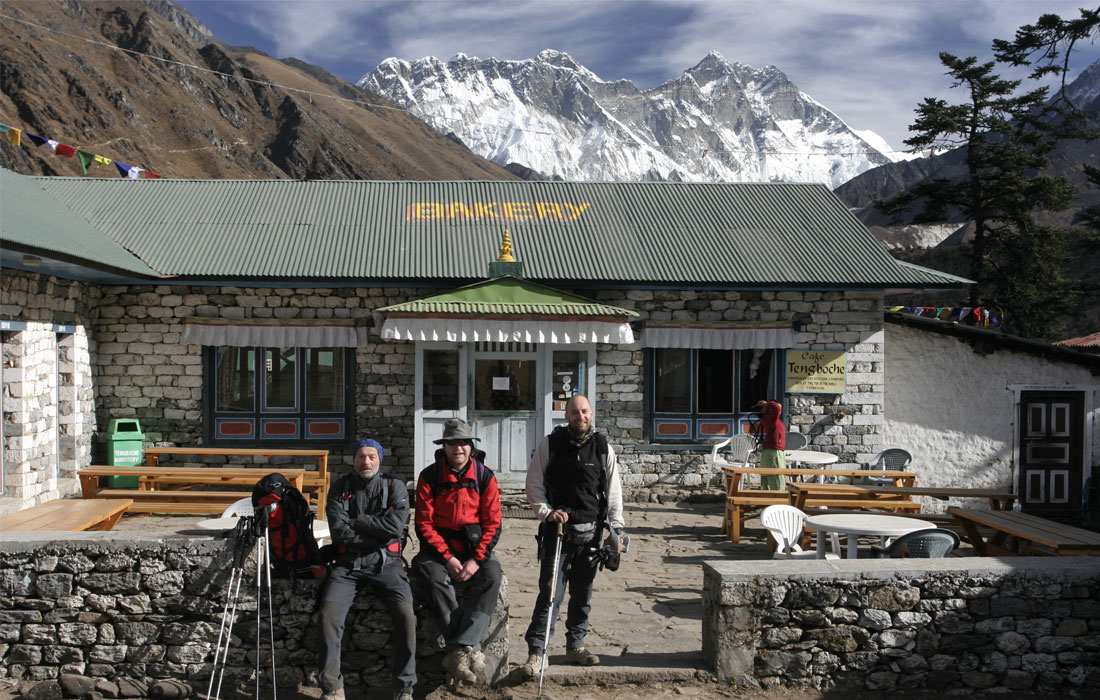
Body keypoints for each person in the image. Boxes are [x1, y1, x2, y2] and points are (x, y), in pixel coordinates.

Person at [521, 394, 624, 677]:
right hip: (558, 533)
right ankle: (537, 653)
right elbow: (533, 483)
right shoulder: (550, 444)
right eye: (575, 412)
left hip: (591, 534)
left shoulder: (603, 448)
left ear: (592, 414)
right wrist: (547, 512)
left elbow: (613, 493)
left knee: (583, 593)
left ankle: (575, 645)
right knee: (550, 593)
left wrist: (616, 531)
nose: (581, 417)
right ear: (566, 416)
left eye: (585, 411)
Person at [318, 438, 415, 700]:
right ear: (354, 460)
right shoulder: (340, 487)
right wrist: (376, 531)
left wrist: (357, 520)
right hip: (347, 566)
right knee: (328, 616)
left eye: (371, 456)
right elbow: (339, 533)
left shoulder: (394, 486)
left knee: (406, 615)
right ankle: (332, 688)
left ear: (379, 459)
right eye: (361, 456)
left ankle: (405, 687)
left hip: (387, 565)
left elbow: (395, 528)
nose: (366, 462)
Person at [412, 419, 503, 685]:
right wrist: (448, 558)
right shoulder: (429, 476)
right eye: (453, 443)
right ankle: (468, 648)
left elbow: (493, 523)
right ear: (445, 446)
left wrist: (476, 560)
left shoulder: (485, 476)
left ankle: (458, 648)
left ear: (471, 446)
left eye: (464, 443)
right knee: (433, 576)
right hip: (438, 551)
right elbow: (423, 524)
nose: (459, 448)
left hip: (474, 550)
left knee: (492, 575)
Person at [755, 400, 787, 490]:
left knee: (768, 477)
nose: (780, 410)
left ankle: (767, 500)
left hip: (771, 450)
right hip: (774, 451)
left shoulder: (771, 419)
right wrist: (767, 403)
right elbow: (776, 408)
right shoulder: (771, 418)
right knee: (776, 476)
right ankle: (778, 500)